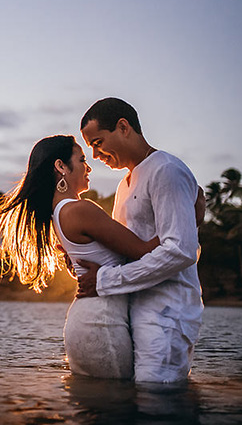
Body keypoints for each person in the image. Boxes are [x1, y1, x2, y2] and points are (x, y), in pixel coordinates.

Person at [0, 134, 161, 379]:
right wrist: (189, 218)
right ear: (61, 166)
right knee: (118, 412)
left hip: (89, 322)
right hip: (102, 325)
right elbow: (145, 251)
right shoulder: (80, 210)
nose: (88, 167)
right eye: (81, 160)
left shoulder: (57, 214)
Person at [75, 97, 203, 385]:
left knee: (156, 395)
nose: (95, 155)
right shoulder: (124, 184)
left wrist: (105, 281)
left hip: (168, 310)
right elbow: (125, 247)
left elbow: (180, 250)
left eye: (97, 142)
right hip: (134, 305)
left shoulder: (166, 169)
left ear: (123, 127)